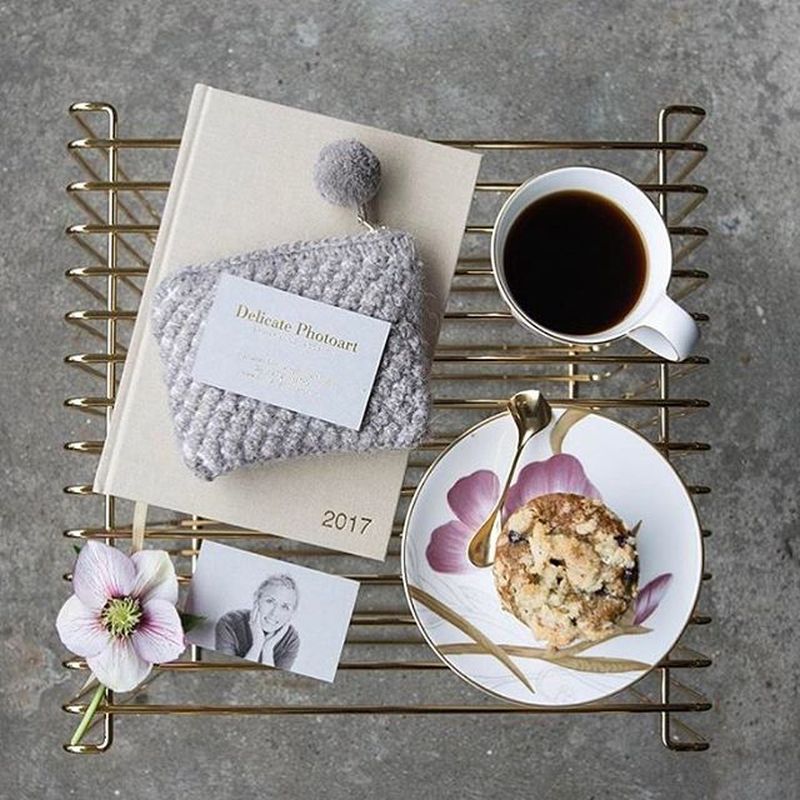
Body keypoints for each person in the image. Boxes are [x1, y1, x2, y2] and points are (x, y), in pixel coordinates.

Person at [215, 574, 300, 668]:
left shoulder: (291, 640)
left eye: (285, 607)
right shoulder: (229, 623)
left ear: (292, 613)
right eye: (270, 601)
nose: (274, 613)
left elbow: (273, 681)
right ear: (256, 598)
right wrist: (257, 645)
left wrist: (267, 650)